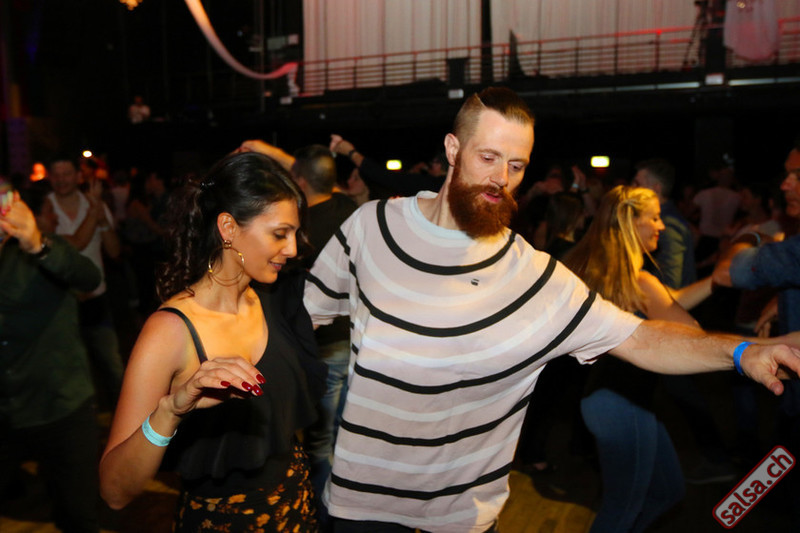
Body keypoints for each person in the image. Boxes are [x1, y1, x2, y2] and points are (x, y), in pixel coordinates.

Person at [303, 86, 800, 533]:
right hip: (362, 504)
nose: (501, 179)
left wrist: (743, 352)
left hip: (459, 516)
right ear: (453, 149)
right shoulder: (370, 227)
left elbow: (642, 337)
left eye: (516, 166)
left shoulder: (534, 275)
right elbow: (303, 317)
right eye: (488, 157)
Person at [99, 152, 326, 531]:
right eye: (279, 234)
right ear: (228, 227)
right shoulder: (169, 332)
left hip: (296, 508)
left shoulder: (276, 298)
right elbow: (115, 491)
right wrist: (171, 410)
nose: (291, 249)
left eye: (293, 234)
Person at [563, 185, 717, 531]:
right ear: (631, 223)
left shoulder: (613, 277)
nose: (661, 225)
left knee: (667, 492)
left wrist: (717, 280)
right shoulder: (639, 281)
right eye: (655, 217)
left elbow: (667, 300)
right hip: (620, 406)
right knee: (622, 510)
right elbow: (688, 329)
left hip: (615, 400)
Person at [239, 139, 358, 522]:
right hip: (352, 343)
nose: (289, 247)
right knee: (344, 438)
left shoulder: (295, 226)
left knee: (318, 443)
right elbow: (318, 176)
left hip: (316, 346)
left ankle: (324, 518)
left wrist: (264, 151)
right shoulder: (349, 211)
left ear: (299, 181)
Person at [1, 181, 102, 533]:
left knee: (77, 514)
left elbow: (89, 277)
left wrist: (38, 245)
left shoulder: (41, 251)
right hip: (7, 411)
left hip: (61, 407)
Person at [48, 154, 125, 407]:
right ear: (49, 177)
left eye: (67, 174)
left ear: (78, 176)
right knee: (70, 373)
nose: (61, 180)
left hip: (96, 298)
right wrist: (94, 212)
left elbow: (114, 251)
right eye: (56, 175)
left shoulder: (93, 204)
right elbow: (75, 244)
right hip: (60, 303)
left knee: (112, 365)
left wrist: (102, 222)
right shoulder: (45, 209)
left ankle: (126, 419)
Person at [329, 134, 446, 196]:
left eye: (432, 163)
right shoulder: (443, 186)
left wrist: (351, 152)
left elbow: (387, 177)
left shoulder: (435, 185)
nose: (349, 181)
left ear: (438, 164)